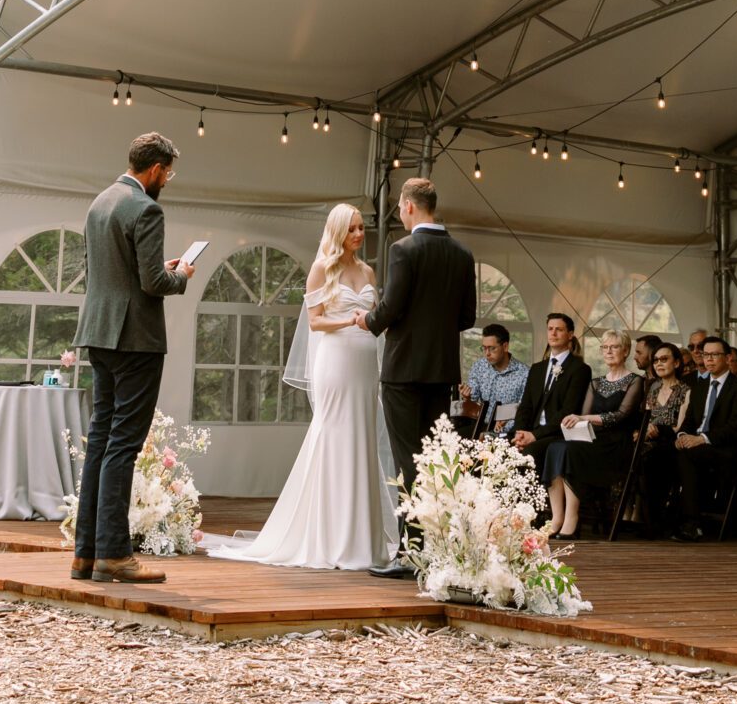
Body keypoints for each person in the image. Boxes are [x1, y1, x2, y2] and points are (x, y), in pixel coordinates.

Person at [213, 203, 398, 571]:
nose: (360, 235)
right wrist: (352, 320)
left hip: (364, 363)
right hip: (336, 359)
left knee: (362, 436)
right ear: (337, 232)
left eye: (362, 228)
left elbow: (379, 319)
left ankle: (362, 537)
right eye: (353, 229)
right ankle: (328, 535)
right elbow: (315, 323)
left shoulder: (368, 271)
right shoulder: (322, 269)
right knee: (334, 433)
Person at [71, 133, 195, 584]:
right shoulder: (147, 208)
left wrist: (163, 269)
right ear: (156, 169)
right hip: (135, 341)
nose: (168, 181)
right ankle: (115, 555)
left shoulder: (100, 202)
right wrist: (178, 276)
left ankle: (85, 554)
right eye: (168, 173)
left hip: (99, 335)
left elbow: (106, 273)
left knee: (101, 441)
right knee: (122, 444)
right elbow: (151, 284)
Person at [357, 176, 476, 572]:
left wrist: (367, 320)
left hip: (404, 370)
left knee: (407, 460)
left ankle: (411, 555)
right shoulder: (462, 254)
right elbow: (467, 317)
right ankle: (437, 547)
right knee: (435, 460)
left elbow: (391, 308)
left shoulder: (403, 249)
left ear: (408, 206)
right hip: (441, 372)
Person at [547, 329, 644, 537]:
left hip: (616, 446)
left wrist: (584, 418)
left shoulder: (635, 381)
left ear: (625, 351)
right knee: (555, 447)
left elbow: (621, 415)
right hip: (593, 440)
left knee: (570, 452)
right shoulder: (596, 382)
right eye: (605, 347)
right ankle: (557, 517)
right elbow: (584, 416)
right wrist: (573, 422)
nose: (608, 351)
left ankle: (572, 518)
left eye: (614, 347)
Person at [672, 335, 737, 539]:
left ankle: (691, 522)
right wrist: (681, 435)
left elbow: (736, 428)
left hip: (723, 448)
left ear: (727, 357)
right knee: (665, 452)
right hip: (696, 446)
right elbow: (690, 420)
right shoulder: (699, 387)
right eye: (705, 354)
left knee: (686, 457)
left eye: (714, 354)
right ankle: (664, 520)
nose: (708, 359)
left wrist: (702, 439)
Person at [512, 314, 592, 485]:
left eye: (559, 329)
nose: (553, 333)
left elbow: (568, 410)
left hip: (558, 434)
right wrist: (520, 434)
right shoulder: (537, 368)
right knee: (498, 449)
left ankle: (531, 509)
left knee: (529, 455)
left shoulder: (580, 369)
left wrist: (534, 436)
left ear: (570, 334)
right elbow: (525, 406)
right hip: (531, 432)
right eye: (550, 329)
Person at [637, 342, 690, 534]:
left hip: (669, 440)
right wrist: (643, 430)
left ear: (676, 363)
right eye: (656, 360)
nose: (659, 363)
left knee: (650, 458)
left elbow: (680, 426)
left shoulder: (685, 390)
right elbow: (644, 416)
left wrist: (656, 428)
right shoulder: (653, 387)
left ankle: (654, 521)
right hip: (646, 438)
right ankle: (640, 518)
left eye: (664, 359)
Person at [461, 323, 529, 434]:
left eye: (492, 348)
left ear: (505, 346)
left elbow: (524, 410)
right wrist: (467, 397)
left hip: (509, 431)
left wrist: (504, 425)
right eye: (484, 348)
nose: (487, 353)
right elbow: (473, 401)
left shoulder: (524, 373)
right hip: (480, 426)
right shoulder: (479, 366)